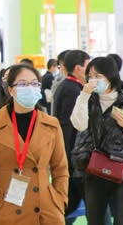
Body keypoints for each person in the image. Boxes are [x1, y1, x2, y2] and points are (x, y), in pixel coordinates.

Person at [0, 64, 69, 225]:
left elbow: (60, 167)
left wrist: (60, 199)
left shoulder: (51, 124)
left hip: (45, 210)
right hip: (5, 207)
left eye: (34, 83)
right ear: (10, 90)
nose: (30, 88)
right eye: (23, 84)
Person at [71, 57, 123, 225]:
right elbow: (79, 125)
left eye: (98, 76)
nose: (93, 80)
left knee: (121, 220)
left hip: (122, 171)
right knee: (95, 220)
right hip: (93, 168)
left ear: (110, 76)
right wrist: (84, 95)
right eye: (90, 76)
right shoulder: (87, 100)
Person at [53, 49, 90, 224]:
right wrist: (69, 158)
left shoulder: (70, 87)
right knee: (88, 204)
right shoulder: (72, 90)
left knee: (73, 203)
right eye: (88, 66)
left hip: (71, 156)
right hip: (74, 157)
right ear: (78, 68)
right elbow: (69, 127)